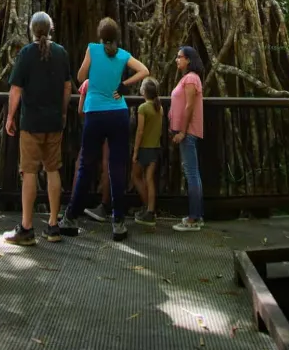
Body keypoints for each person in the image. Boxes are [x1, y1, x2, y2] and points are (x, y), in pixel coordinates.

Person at [60, 18, 149, 242]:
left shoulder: (93, 49)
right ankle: (118, 223)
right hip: (118, 115)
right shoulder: (123, 55)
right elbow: (144, 71)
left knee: (86, 167)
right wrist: (123, 85)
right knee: (117, 169)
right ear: (116, 36)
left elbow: (80, 77)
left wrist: (94, 78)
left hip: (95, 115)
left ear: (100, 35)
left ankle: (70, 219)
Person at [4, 11, 72, 246]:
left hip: (31, 124)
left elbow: (15, 90)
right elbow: (67, 87)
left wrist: (10, 117)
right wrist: (62, 113)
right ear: (50, 29)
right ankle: (53, 226)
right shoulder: (61, 53)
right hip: (54, 123)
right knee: (53, 170)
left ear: (32, 30)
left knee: (29, 172)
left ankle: (26, 228)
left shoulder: (26, 53)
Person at [170, 45, 205, 231]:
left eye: (179, 57)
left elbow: (189, 106)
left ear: (188, 59)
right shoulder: (188, 78)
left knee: (191, 174)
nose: (177, 59)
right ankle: (197, 216)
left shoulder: (191, 78)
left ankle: (193, 219)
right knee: (193, 173)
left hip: (188, 132)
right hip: (188, 131)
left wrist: (182, 132)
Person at [76, 78, 111, 222]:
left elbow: (80, 110)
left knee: (81, 162)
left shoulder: (88, 83)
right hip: (110, 124)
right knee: (107, 164)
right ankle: (104, 205)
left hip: (92, 124)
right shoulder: (112, 80)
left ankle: (75, 203)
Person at [132, 77, 163, 226]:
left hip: (144, 148)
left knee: (136, 176)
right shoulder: (159, 107)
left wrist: (135, 151)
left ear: (144, 91)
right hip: (155, 148)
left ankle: (147, 207)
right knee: (149, 179)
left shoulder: (143, 108)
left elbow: (140, 131)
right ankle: (150, 211)